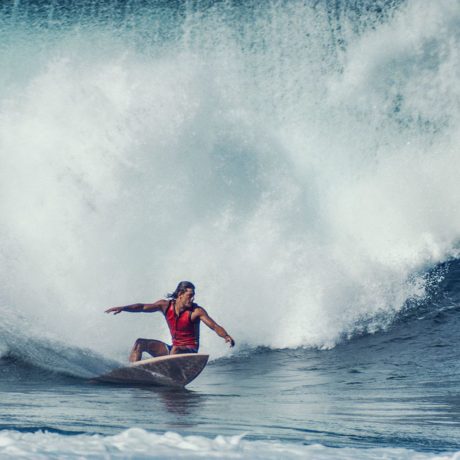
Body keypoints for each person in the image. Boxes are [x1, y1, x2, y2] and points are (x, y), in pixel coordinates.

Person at [105, 281, 235, 362]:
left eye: (194, 295)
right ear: (180, 295)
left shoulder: (197, 311)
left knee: (176, 349)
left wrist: (226, 336)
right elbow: (143, 307)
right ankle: (133, 372)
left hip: (189, 351)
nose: (193, 298)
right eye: (190, 295)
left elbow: (214, 326)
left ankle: (168, 373)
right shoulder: (165, 306)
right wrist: (124, 308)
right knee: (140, 343)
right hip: (173, 349)